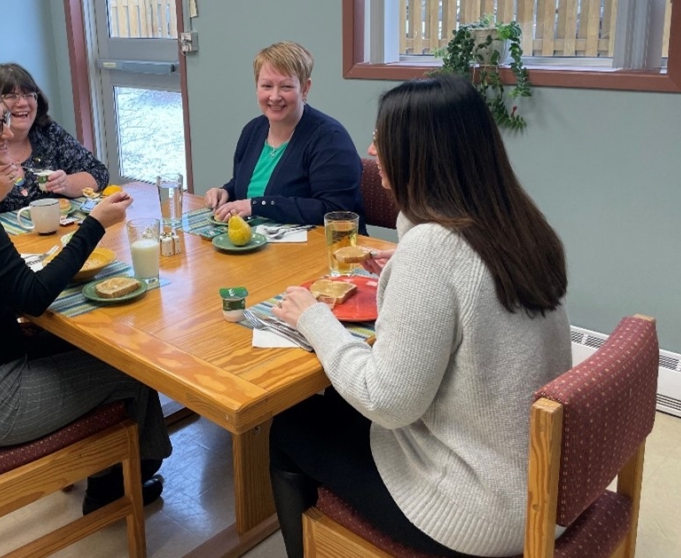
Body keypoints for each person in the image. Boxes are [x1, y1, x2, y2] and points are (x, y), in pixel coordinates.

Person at [267, 75, 572, 557]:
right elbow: (465, 282)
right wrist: (407, 261)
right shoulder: (517, 224)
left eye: (380, 141)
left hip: (479, 511)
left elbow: (386, 401)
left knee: (289, 428)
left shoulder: (433, 250)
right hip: (545, 488)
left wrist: (313, 319)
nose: (370, 152)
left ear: (419, 155)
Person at [0, 75, 171, 514]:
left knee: (81, 344)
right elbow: (33, 297)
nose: (6, 133)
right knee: (133, 371)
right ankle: (118, 483)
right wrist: (94, 224)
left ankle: (115, 469)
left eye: (4, 120)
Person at [204, 42, 365, 229]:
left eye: (286, 87)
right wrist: (225, 192)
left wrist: (257, 206)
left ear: (305, 88)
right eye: (266, 86)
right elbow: (248, 185)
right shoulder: (253, 130)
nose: (274, 96)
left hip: (320, 248)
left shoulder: (330, 138)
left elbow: (334, 211)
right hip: (259, 244)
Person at [0, 62, 110, 214]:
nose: (22, 103)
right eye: (11, 96)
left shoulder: (48, 133)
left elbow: (99, 173)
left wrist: (67, 184)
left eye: (29, 95)